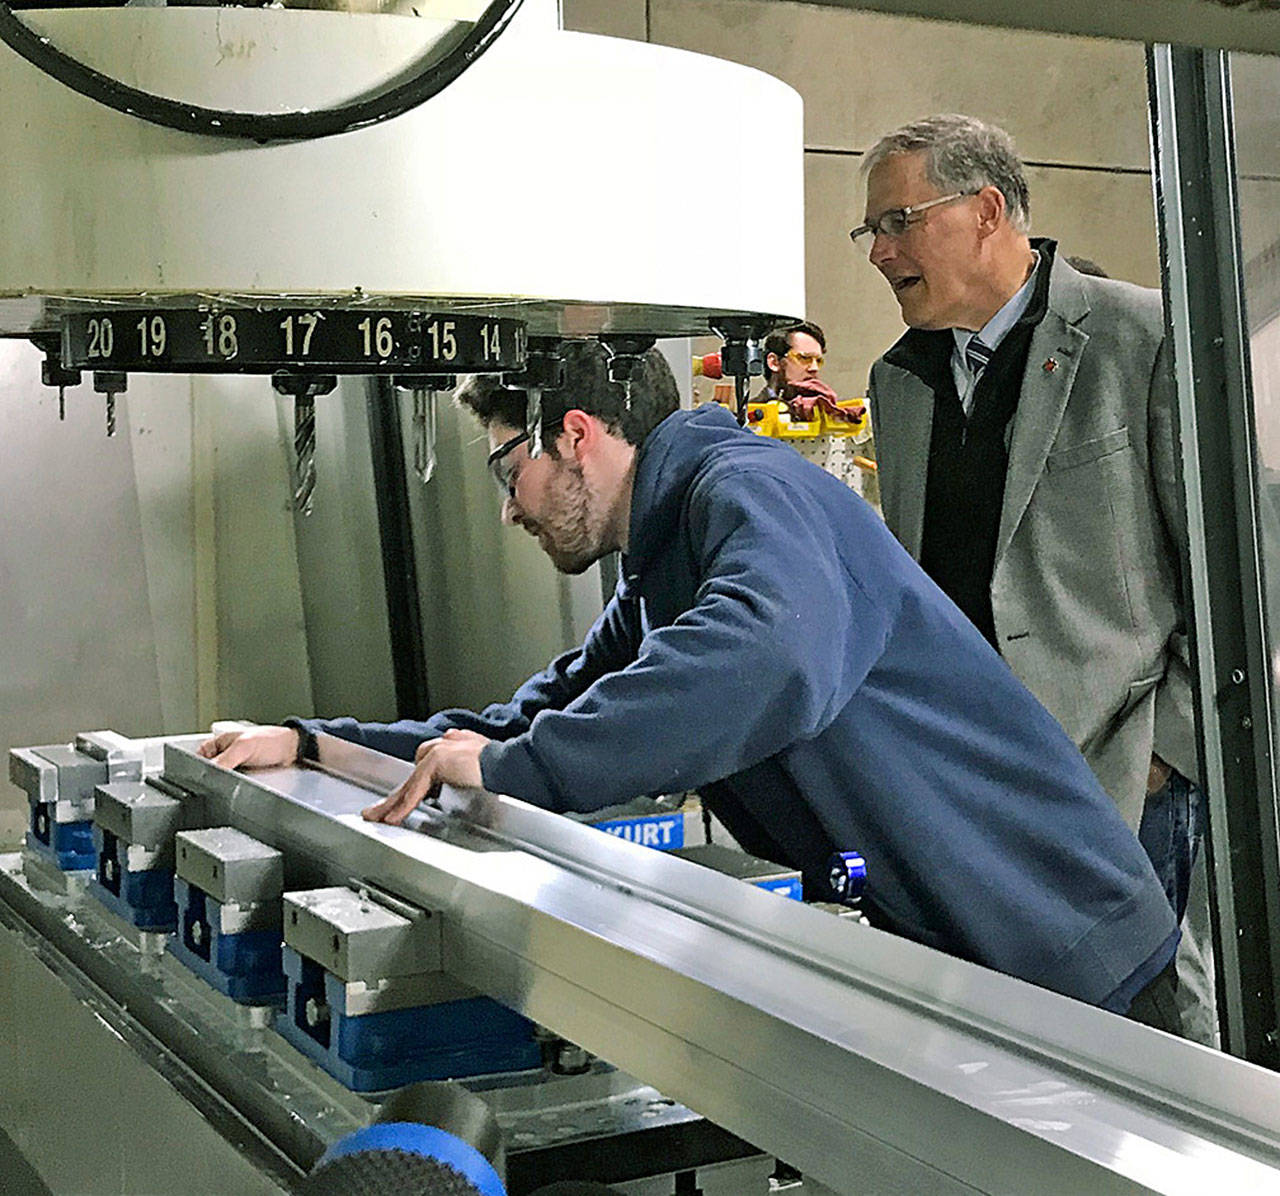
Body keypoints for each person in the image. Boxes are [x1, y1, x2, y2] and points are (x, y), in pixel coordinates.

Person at [201, 339, 1181, 1029]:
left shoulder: (747, 487)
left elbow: (767, 657)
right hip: (967, 958)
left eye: (509, 470)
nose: (508, 511)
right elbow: (533, 716)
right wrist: (312, 741)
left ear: (574, 433)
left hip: (1058, 950)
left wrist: (510, 769)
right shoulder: (658, 565)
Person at [855, 114, 1203, 934]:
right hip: (961, 787)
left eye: (898, 222)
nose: (879, 253)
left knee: (1144, 1041)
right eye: (870, 231)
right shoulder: (899, 382)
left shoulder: (1145, 338)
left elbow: (1250, 571)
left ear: (985, 211)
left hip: (1121, 786)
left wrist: (1168, 755)